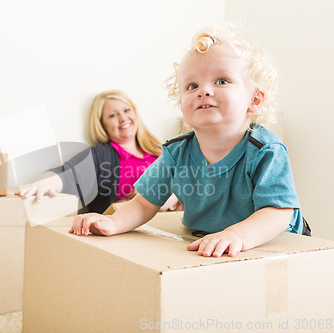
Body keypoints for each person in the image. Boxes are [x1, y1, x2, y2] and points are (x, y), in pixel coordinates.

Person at [69, 25, 310, 257]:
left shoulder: (265, 150)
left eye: (222, 80)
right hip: (209, 239)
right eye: (192, 85)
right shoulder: (177, 152)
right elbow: (144, 204)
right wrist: (112, 221)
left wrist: (237, 235)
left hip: (276, 239)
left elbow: (278, 212)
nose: (204, 90)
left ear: (254, 100)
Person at [18, 90, 180, 213]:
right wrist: (45, 183)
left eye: (126, 110)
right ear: (102, 124)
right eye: (112, 115)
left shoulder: (163, 151)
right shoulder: (101, 156)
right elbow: (67, 174)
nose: (123, 118)